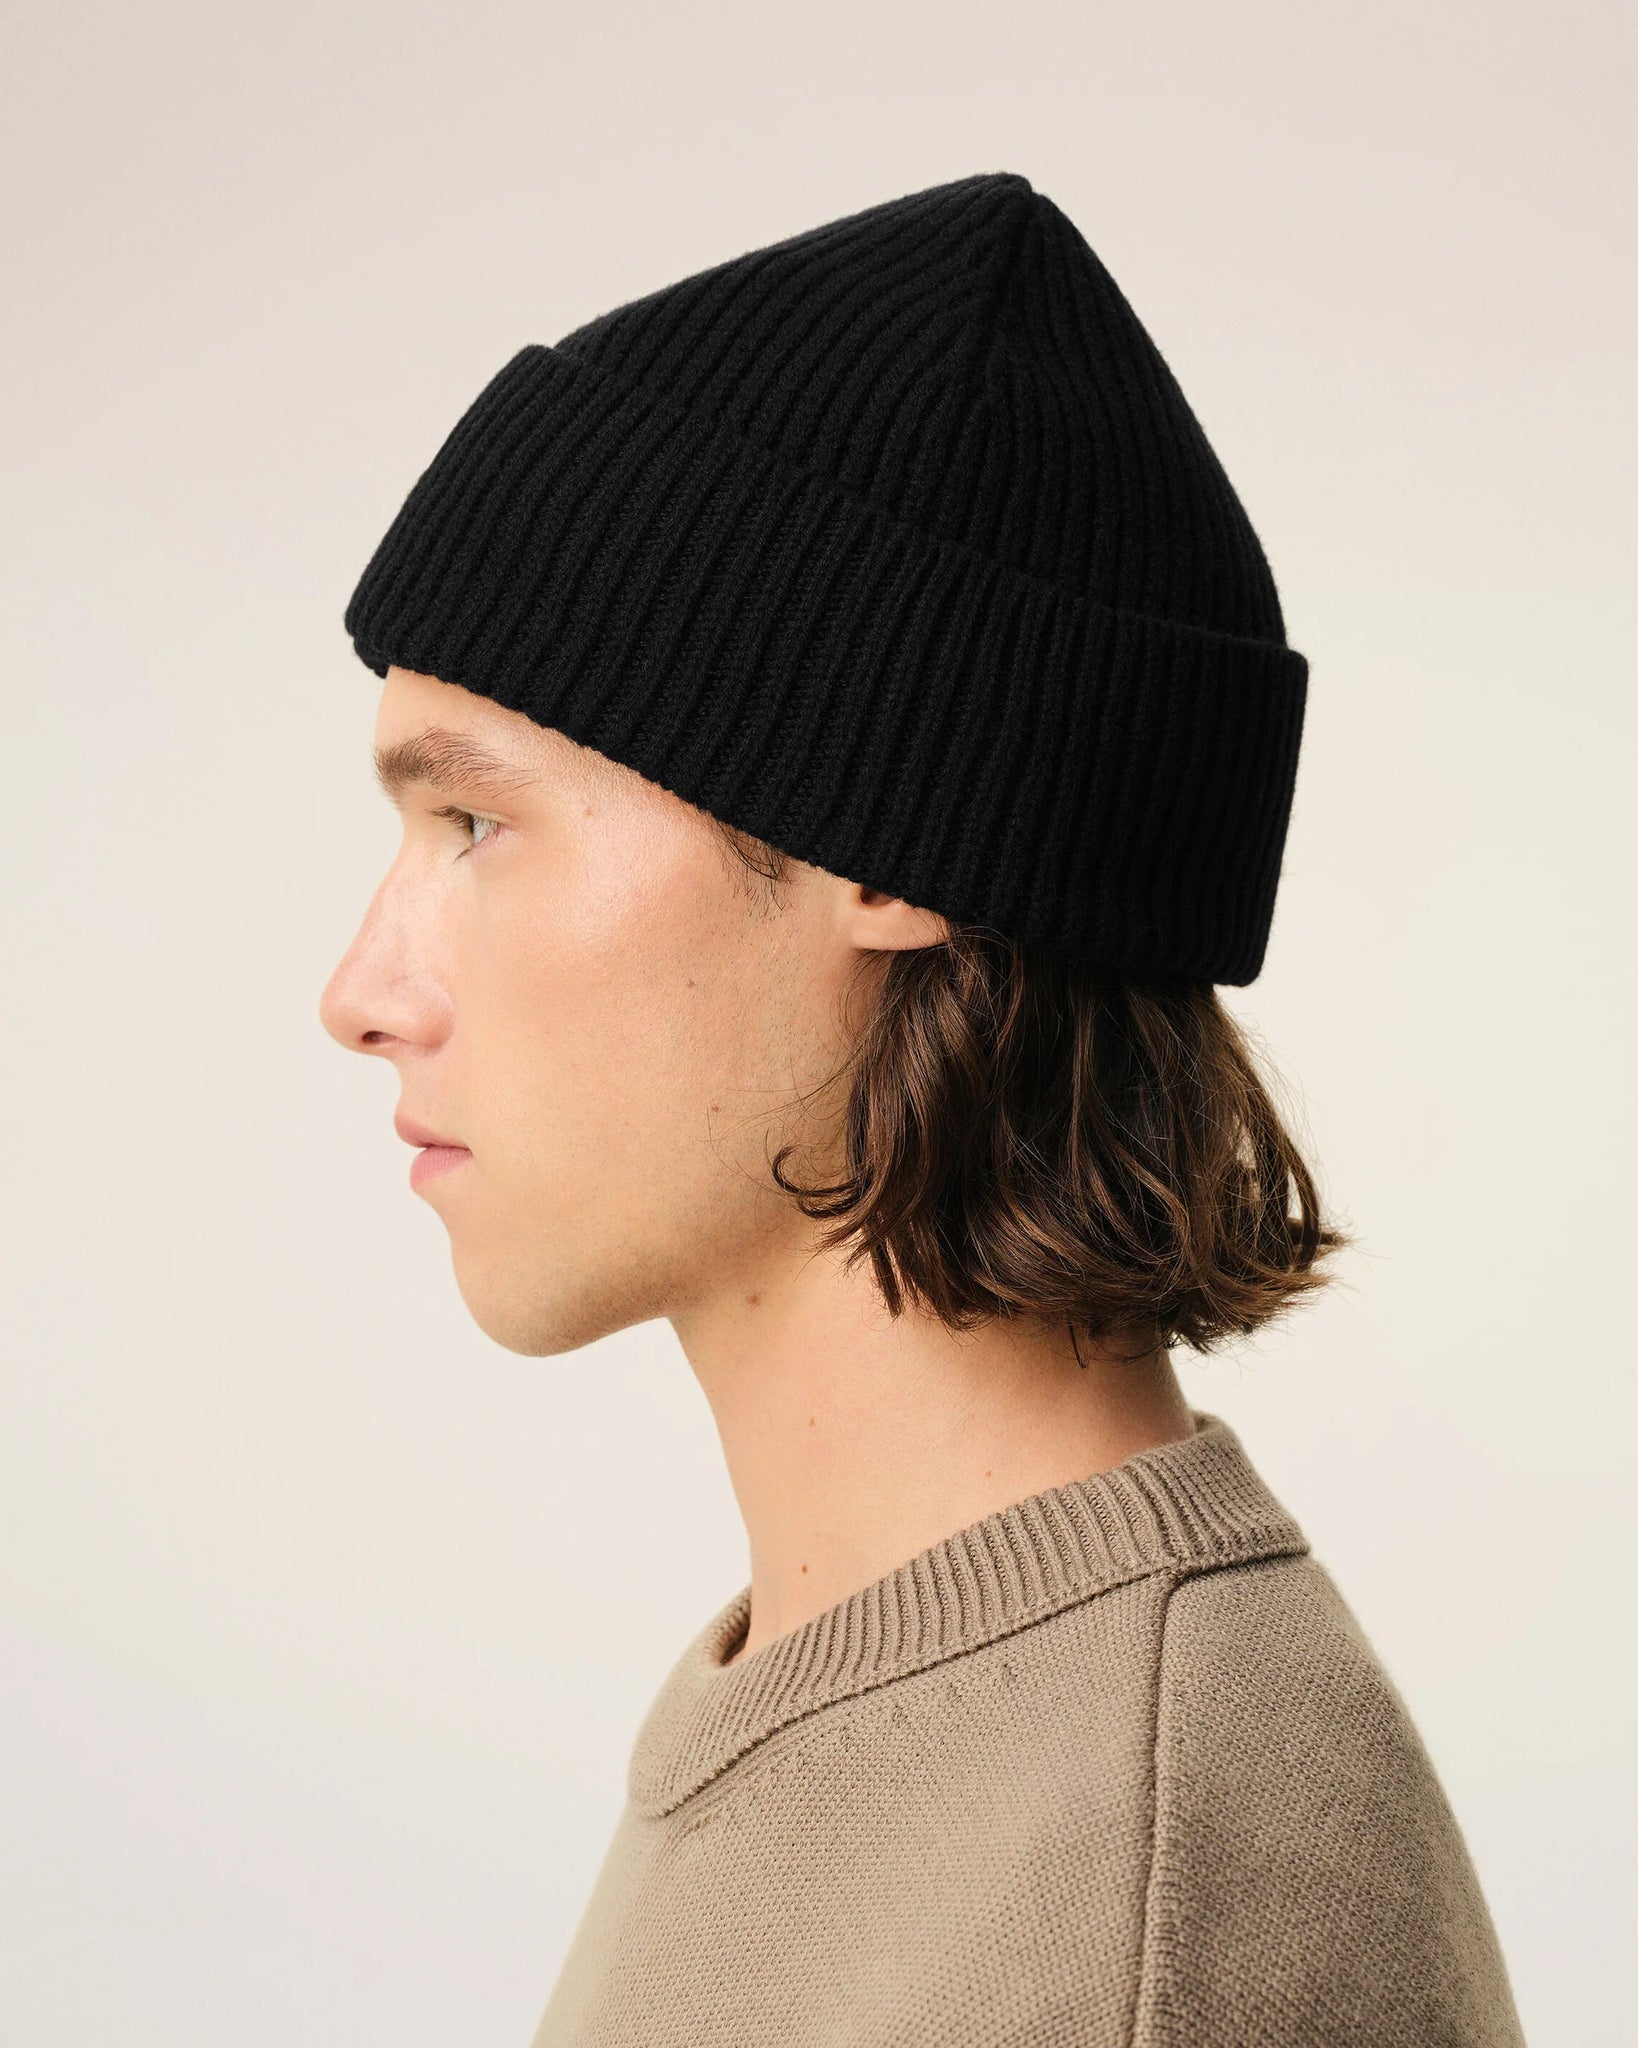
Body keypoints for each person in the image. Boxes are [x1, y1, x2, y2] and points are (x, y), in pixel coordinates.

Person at [319, 171, 1526, 2047]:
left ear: (886, 843)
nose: (361, 994)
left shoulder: (1124, 1917)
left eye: (476, 821)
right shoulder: (883, 1706)